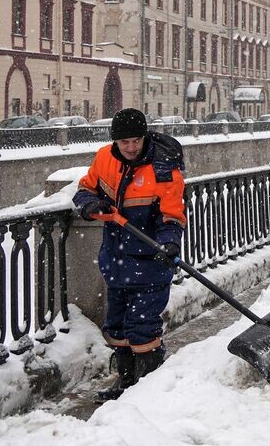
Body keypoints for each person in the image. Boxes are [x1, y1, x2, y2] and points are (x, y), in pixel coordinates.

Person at [73, 108, 186, 402]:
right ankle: (126, 384)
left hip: (150, 263)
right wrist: (90, 205)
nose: (132, 148)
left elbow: (171, 215)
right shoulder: (104, 159)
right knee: (117, 327)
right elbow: (84, 190)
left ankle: (149, 389)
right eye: (125, 143)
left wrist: (170, 243)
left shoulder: (163, 168)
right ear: (115, 142)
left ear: (145, 137)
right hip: (116, 261)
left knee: (142, 328)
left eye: (136, 140)